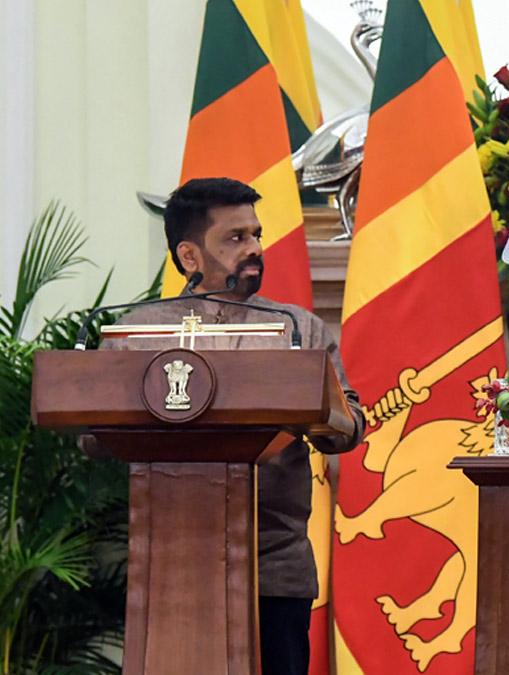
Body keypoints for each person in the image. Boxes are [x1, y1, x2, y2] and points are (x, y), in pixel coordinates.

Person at [102, 177, 365, 675]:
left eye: (256, 234)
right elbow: (97, 438)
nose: (256, 249)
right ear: (189, 256)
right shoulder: (137, 334)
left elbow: (350, 427)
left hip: (274, 568)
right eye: (236, 238)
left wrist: (324, 409)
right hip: (171, 571)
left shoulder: (296, 329)